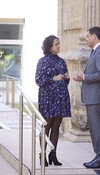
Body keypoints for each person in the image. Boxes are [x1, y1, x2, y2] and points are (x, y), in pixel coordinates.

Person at [73, 26, 100, 168]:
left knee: (97, 128)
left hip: (96, 97)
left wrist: (85, 76)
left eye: (88, 36)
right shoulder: (95, 51)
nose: (86, 39)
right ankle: (99, 156)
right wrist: (82, 78)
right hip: (92, 97)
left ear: (94, 36)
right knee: (94, 128)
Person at [35, 35, 71, 166]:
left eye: (59, 44)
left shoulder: (61, 61)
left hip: (60, 97)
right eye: (56, 44)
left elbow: (66, 80)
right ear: (50, 46)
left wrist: (66, 77)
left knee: (57, 126)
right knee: (47, 125)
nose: (59, 46)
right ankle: (42, 154)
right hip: (48, 98)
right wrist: (54, 78)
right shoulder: (42, 61)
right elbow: (38, 80)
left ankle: (53, 154)